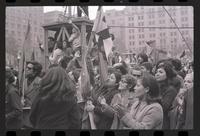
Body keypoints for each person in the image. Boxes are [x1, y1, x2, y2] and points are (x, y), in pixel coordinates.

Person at [155, 62, 179, 129]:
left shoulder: (171, 90)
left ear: (167, 75)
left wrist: (154, 95)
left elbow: (164, 108)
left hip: (163, 122)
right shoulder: (155, 87)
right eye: (156, 72)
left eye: (161, 72)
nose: (157, 74)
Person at [23, 61, 42, 128]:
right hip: (24, 111)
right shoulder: (23, 81)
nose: (26, 69)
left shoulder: (40, 82)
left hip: (35, 112)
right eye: (26, 68)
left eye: (29, 68)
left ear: (35, 71)